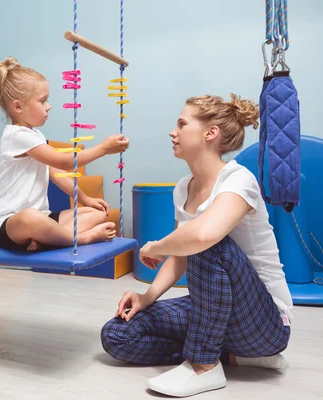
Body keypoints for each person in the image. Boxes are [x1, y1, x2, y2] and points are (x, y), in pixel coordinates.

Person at [100, 94, 293, 397]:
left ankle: (203, 366)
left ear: (210, 133)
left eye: (182, 123)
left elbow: (203, 237)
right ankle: (229, 356)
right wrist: (146, 297)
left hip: (265, 321)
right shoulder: (183, 188)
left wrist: (157, 246)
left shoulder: (238, 179)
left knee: (206, 242)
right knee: (118, 334)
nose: (172, 132)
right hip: (214, 308)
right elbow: (179, 258)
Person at [0, 57, 130, 252]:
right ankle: (82, 238)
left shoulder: (35, 135)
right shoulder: (16, 136)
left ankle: (47, 239)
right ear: (18, 106)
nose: (48, 106)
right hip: (11, 226)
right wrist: (103, 149)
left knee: (97, 213)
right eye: (42, 101)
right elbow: (65, 163)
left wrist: (86, 200)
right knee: (30, 217)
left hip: (42, 218)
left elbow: (57, 174)